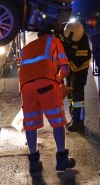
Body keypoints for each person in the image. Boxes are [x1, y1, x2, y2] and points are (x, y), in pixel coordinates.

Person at [18, 23, 76, 172]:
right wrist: (58, 78)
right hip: (47, 86)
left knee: (30, 124)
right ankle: (62, 159)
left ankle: (33, 162)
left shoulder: (26, 49)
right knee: (57, 122)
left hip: (26, 88)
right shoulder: (54, 41)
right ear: (51, 34)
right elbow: (65, 68)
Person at [60, 20, 91, 133]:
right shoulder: (65, 30)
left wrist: (63, 72)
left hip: (80, 68)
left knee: (77, 94)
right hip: (69, 64)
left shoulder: (83, 41)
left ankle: (79, 123)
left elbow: (79, 61)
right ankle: (74, 118)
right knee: (70, 92)